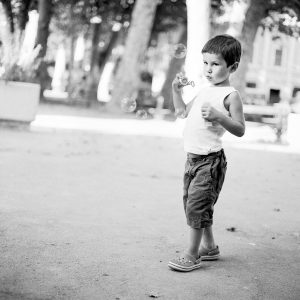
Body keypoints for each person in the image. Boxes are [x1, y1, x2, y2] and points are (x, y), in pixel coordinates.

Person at [168, 34, 245, 272]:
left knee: (197, 206)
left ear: (232, 67)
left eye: (215, 64)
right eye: (205, 63)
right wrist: (175, 90)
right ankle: (209, 246)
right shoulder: (203, 90)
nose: (208, 69)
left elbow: (240, 129)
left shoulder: (230, 95)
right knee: (196, 204)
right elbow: (182, 112)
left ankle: (192, 254)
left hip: (210, 161)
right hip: (191, 159)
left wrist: (219, 116)